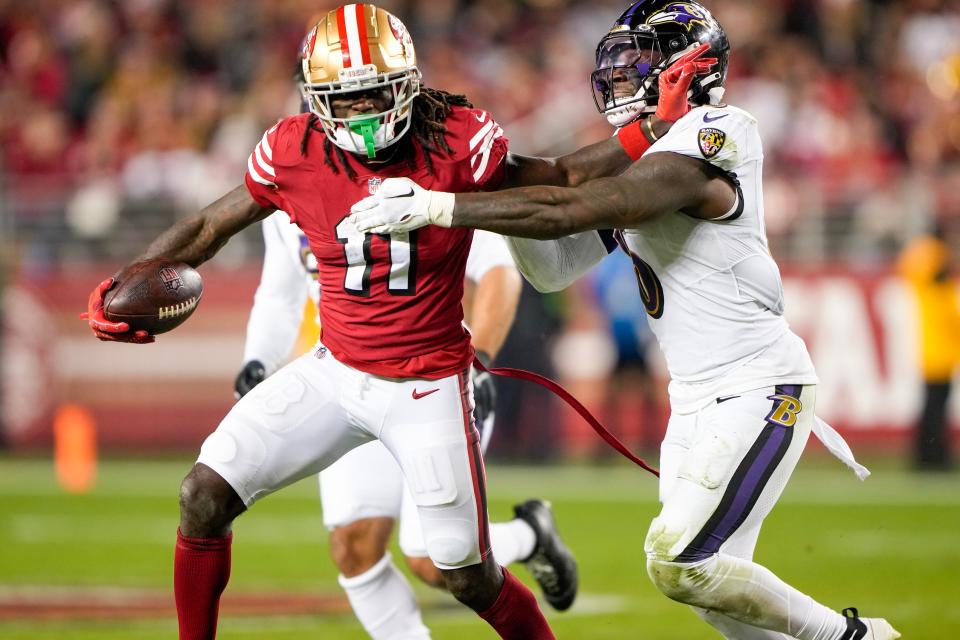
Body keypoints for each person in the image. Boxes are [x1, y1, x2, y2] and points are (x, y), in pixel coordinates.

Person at [80, 4, 698, 639]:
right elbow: (211, 225)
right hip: (334, 371)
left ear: (409, 86)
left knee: (463, 573)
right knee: (202, 496)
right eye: (346, 101)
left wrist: (647, 131)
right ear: (316, 100)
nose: (366, 114)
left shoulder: (457, 138)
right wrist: (131, 275)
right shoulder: (294, 150)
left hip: (427, 386)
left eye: (378, 93)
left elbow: (560, 177)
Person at [347, 2, 901, 639]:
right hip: (694, 397)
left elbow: (584, 204)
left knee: (679, 561)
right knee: (710, 587)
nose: (620, 75)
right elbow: (552, 265)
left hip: (759, 384)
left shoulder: (719, 129)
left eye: (639, 60)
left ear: (688, 67)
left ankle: (857, 637)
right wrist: (481, 179)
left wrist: (447, 206)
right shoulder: (652, 151)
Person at [235, 208, 579, 637]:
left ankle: (528, 535)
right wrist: (258, 360)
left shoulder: (417, 167)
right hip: (345, 380)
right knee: (354, 545)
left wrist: (482, 359)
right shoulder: (287, 172)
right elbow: (280, 292)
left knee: (438, 561)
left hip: (432, 381)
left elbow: (498, 269)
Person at [896, 227, 960, 471]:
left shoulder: (937, 287)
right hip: (937, 354)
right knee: (934, 408)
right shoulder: (933, 280)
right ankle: (930, 456)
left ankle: (931, 455)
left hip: (940, 353)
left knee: (935, 408)